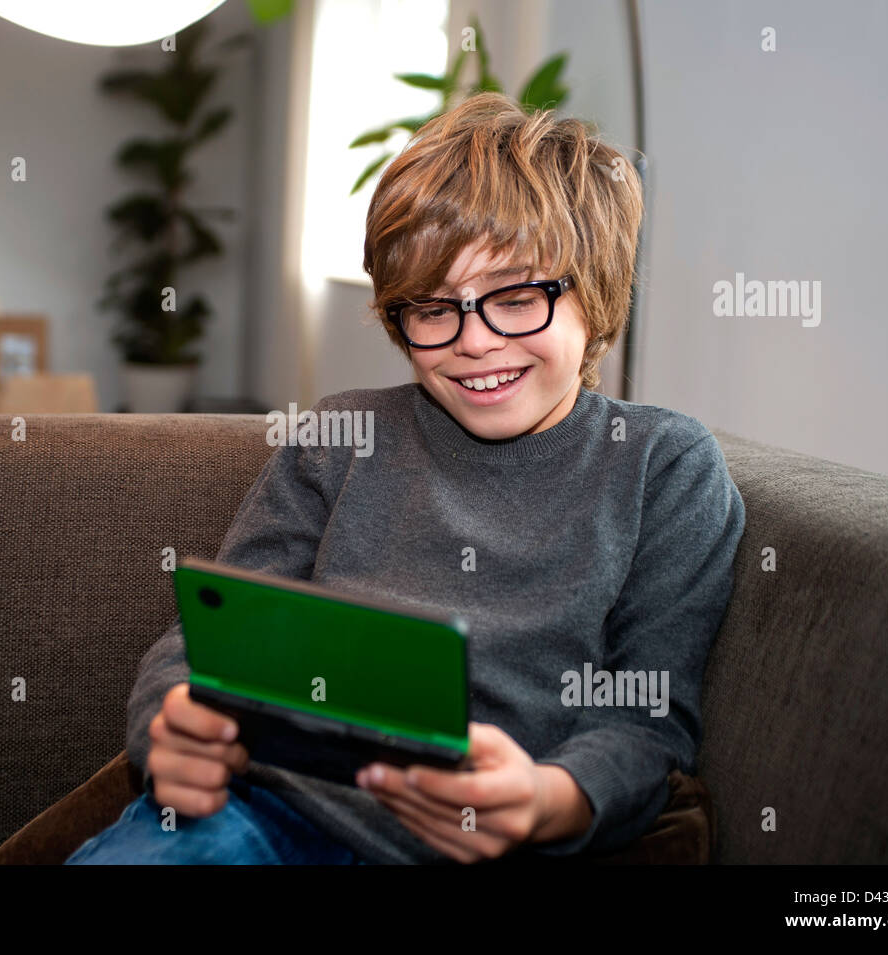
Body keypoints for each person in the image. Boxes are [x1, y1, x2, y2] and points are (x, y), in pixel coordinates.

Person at [66, 92, 746, 865]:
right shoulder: (341, 437)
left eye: (517, 299)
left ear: (595, 294)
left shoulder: (664, 465)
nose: (475, 342)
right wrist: (171, 721)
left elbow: (650, 721)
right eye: (432, 309)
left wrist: (545, 798)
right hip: (266, 815)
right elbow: (213, 633)